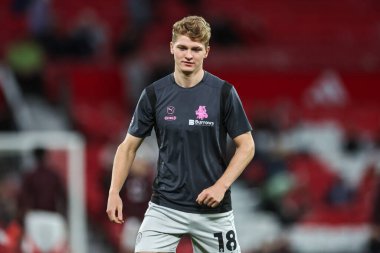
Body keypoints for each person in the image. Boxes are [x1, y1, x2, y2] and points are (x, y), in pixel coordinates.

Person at [106, 15, 255, 253]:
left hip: (212, 210)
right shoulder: (154, 94)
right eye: (182, 47)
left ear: (207, 51)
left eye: (196, 49)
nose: (188, 55)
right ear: (171, 48)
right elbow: (127, 147)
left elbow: (247, 145)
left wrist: (221, 186)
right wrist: (114, 192)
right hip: (165, 207)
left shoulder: (224, 93)